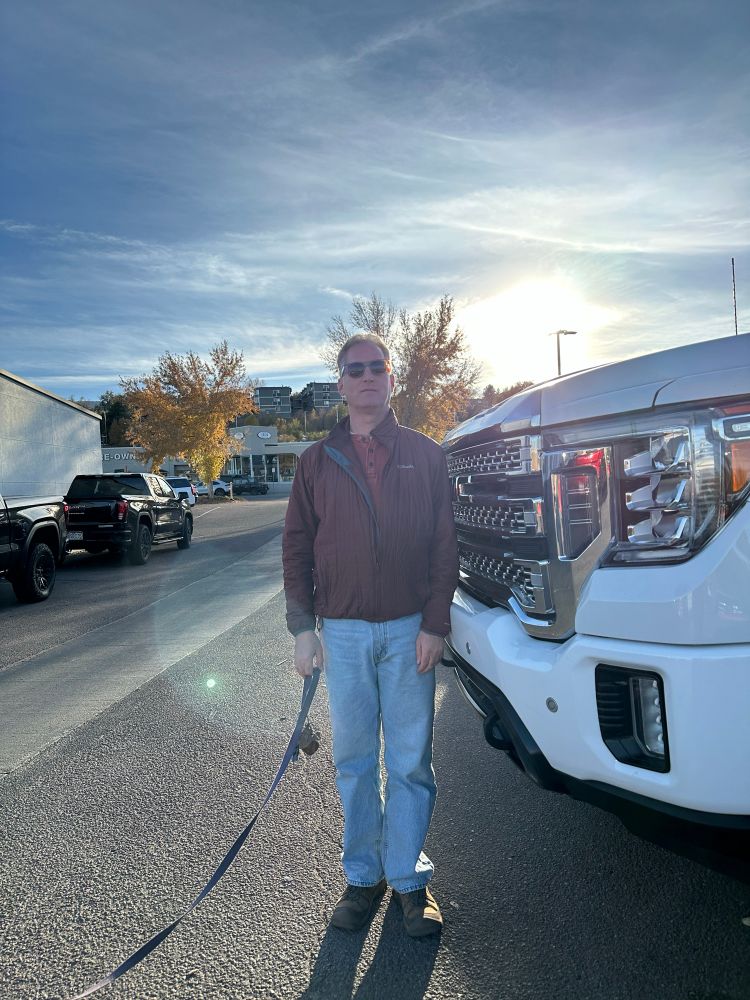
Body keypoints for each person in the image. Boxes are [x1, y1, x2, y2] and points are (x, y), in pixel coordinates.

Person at [282, 332, 459, 937]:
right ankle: (364, 877)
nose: (366, 378)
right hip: (348, 633)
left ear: (391, 376)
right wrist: (303, 629)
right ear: (340, 383)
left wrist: (436, 622)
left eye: (376, 368)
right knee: (355, 762)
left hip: (412, 629)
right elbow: (297, 548)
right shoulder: (315, 461)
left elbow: (444, 546)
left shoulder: (426, 455)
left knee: (410, 763)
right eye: (354, 369)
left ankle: (408, 880)